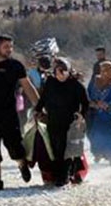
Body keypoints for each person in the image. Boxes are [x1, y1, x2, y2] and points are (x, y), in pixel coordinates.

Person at [0, 34, 39, 191]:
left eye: (11, 47)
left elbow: (27, 86)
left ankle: (22, 163)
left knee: (14, 143)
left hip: (8, 111)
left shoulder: (15, 66)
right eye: (6, 46)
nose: (9, 50)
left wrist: (38, 106)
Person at [35, 57, 89, 187]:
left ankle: (64, 177)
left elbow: (85, 103)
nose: (60, 74)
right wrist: (37, 111)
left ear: (69, 71)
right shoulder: (50, 83)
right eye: (57, 71)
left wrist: (82, 115)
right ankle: (61, 175)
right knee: (55, 149)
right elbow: (43, 98)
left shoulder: (76, 85)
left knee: (67, 149)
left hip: (71, 122)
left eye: (63, 71)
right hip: (53, 120)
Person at [87, 61, 111, 165]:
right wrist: (94, 103)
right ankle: (99, 154)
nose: (105, 72)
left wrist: (108, 104)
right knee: (95, 135)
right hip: (97, 114)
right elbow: (88, 94)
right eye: (103, 70)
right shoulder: (94, 81)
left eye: (108, 70)